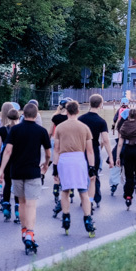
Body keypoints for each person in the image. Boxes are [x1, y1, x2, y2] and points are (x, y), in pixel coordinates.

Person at [0, 103, 51, 254]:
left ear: (23, 114)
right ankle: (30, 234)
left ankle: (23, 230)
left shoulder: (15, 130)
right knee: (31, 205)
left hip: (16, 171)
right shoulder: (41, 131)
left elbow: (7, 150)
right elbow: (48, 153)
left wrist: (1, 170)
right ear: (36, 114)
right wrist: (46, 164)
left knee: (21, 202)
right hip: (33, 172)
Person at [53, 101, 96, 237]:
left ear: (66, 111)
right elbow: (89, 151)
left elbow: (56, 149)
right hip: (79, 159)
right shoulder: (84, 128)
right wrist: (91, 167)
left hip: (64, 160)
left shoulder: (60, 127)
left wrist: (55, 167)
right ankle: (88, 220)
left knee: (65, 191)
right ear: (78, 111)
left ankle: (66, 218)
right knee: (83, 192)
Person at [78, 94, 113, 210]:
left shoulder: (81, 119)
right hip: (94, 150)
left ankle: (83, 199)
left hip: (81, 151)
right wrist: (111, 156)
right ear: (100, 104)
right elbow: (106, 140)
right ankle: (95, 199)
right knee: (94, 175)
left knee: (82, 176)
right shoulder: (101, 121)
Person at [0, 108, 20, 223]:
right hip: (17, 156)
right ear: (18, 117)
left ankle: (6, 208)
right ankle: (18, 211)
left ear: (8, 117)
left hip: (5, 156)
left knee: (7, 182)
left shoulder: (2, 130)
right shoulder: (21, 129)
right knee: (16, 184)